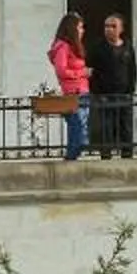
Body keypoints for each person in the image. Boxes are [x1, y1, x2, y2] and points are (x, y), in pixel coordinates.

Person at [93, 11, 137, 157]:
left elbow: (132, 69)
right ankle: (106, 155)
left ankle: (127, 153)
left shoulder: (127, 47)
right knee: (107, 126)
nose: (109, 29)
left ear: (121, 29)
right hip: (105, 94)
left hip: (124, 93)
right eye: (106, 26)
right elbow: (92, 71)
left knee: (125, 125)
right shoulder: (98, 47)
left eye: (113, 26)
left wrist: (131, 90)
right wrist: (97, 93)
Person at [48, 10, 91, 161]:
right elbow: (62, 71)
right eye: (80, 27)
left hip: (82, 90)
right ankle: (71, 156)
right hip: (73, 91)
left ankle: (74, 155)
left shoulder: (73, 47)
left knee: (81, 126)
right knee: (77, 126)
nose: (82, 31)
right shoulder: (63, 47)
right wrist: (81, 73)